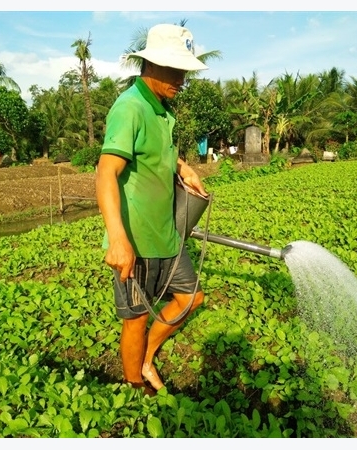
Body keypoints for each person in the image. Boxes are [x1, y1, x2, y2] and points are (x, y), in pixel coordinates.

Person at [96, 23, 209, 396]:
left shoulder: (162, 111)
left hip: (167, 233)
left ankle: (146, 358)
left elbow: (156, 154)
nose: (182, 80)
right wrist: (117, 240)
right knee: (137, 318)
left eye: (184, 72)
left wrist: (183, 167)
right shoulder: (130, 108)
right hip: (137, 238)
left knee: (191, 299)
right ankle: (133, 386)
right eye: (176, 70)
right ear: (152, 65)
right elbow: (106, 173)